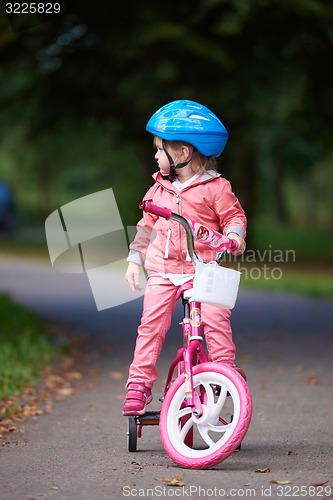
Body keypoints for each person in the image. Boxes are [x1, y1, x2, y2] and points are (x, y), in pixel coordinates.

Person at [123, 100, 247, 416]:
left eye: (159, 150)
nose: (154, 156)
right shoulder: (158, 190)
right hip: (163, 271)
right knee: (151, 326)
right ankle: (139, 385)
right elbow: (145, 227)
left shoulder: (216, 187)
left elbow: (233, 214)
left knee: (217, 320)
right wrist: (134, 261)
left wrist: (234, 235)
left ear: (182, 153)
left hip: (203, 268)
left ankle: (223, 375)